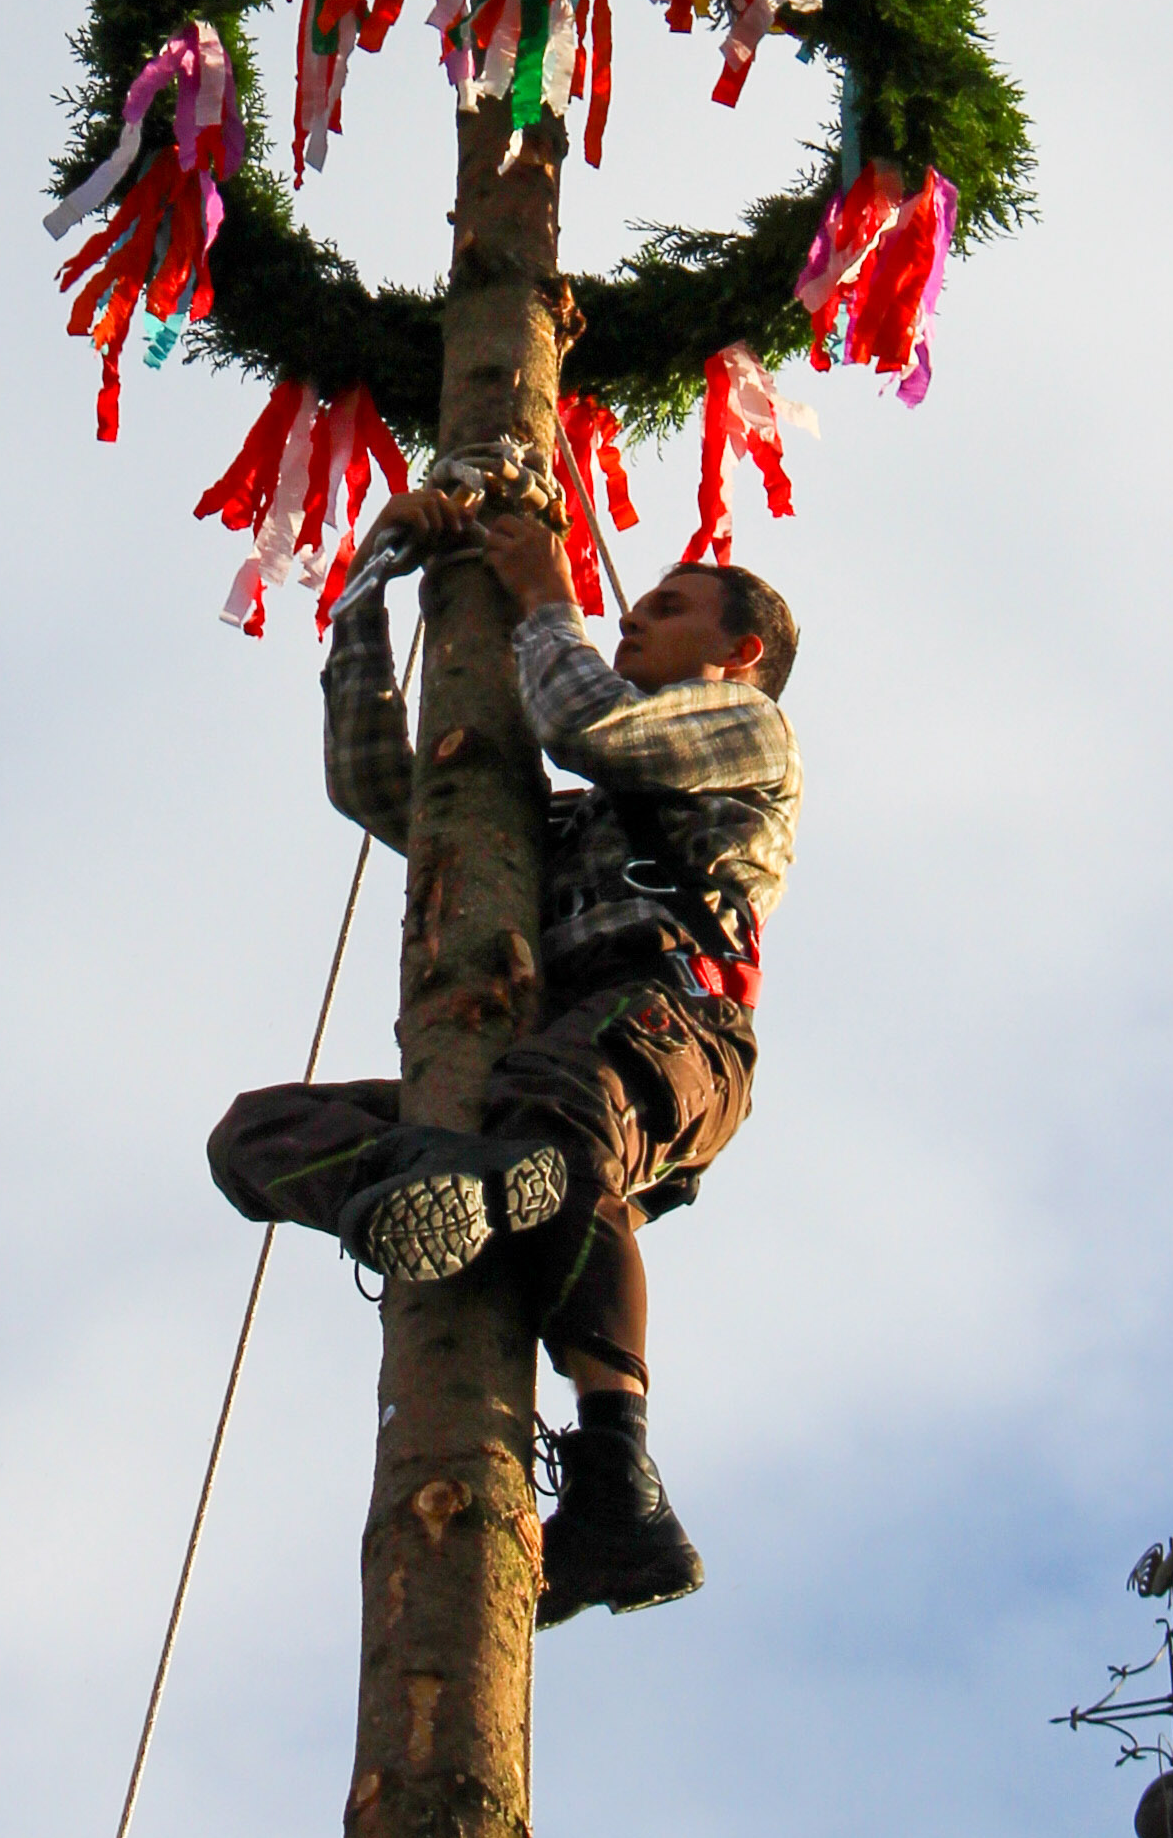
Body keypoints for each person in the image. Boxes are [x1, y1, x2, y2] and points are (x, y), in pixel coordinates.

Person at [206, 473, 801, 1624]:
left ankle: (618, 1471)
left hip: (670, 1028)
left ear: (740, 653)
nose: (637, 616)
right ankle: (447, 1196)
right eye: (643, 602)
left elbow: (587, 723)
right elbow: (393, 790)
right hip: (538, 1069)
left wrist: (543, 594)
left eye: (670, 607)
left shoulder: (750, 730)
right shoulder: (576, 823)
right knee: (256, 1135)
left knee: (556, 1106)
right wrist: (371, 594)